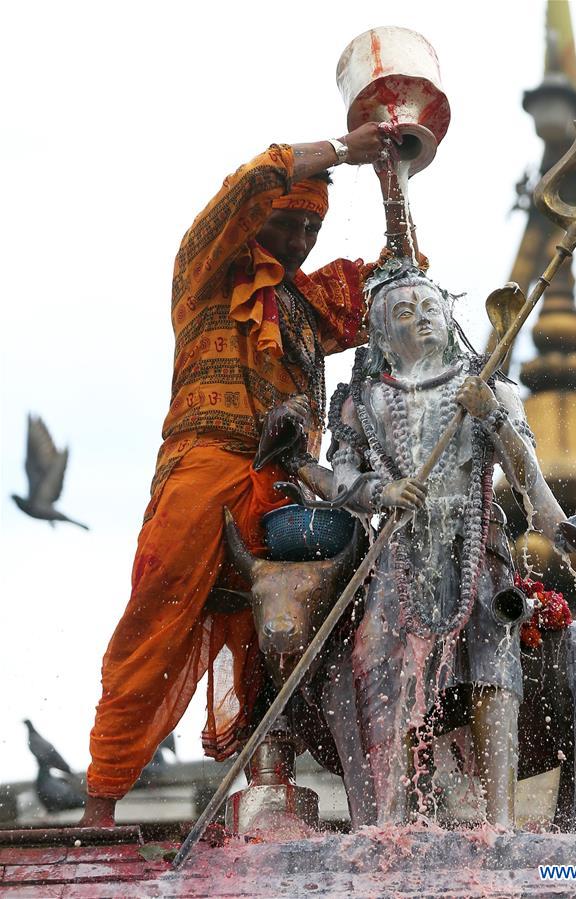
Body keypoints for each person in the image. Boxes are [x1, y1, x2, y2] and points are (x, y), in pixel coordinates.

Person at [81, 122, 404, 827]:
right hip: (203, 468)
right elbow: (256, 176)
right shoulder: (208, 267)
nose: (299, 243)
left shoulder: (309, 303)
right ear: (260, 218)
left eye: (311, 230)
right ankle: (99, 800)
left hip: (287, 487)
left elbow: (399, 281)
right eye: (288, 224)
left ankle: (273, 778)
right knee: (156, 613)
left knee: (273, 632)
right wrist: (347, 149)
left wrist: (390, 182)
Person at [328, 267, 574, 827]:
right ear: (383, 335)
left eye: (429, 306)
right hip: (397, 556)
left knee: (493, 657)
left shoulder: (490, 386)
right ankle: (391, 822)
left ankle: (500, 820)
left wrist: (490, 414)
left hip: (477, 551)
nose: (422, 318)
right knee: (385, 665)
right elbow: (341, 482)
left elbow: (528, 478)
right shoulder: (360, 401)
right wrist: (383, 490)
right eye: (404, 313)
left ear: (449, 312)